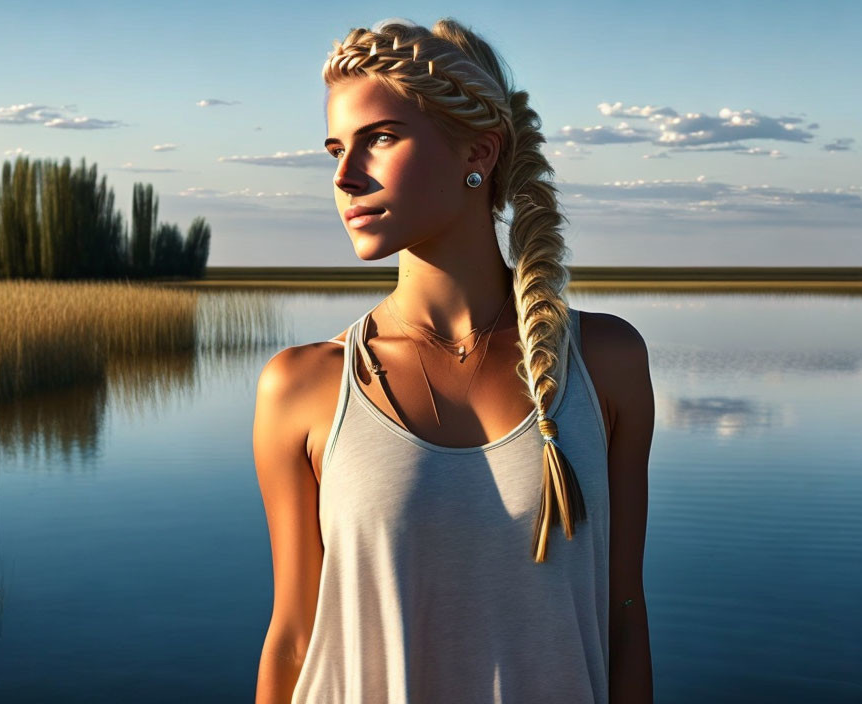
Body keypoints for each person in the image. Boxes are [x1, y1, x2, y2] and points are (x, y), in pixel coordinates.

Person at [253, 17, 654, 704]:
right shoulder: (302, 387)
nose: (346, 177)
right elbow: (292, 637)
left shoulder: (606, 364)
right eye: (334, 150)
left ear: (481, 150)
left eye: (379, 138)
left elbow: (622, 616)